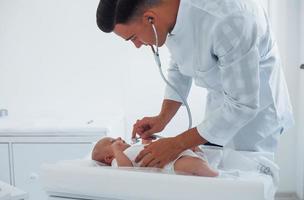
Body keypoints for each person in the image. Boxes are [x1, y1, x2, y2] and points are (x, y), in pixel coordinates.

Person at [95, 0, 294, 169]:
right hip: (222, 102)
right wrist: (163, 118)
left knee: (248, 180)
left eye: (133, 38)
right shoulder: (167, 17)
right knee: (215, 174)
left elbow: (243, 105)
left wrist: (178, 144)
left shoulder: (229, 19)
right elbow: (179, 65)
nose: (137, 45)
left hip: (256, 113)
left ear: (150, 18)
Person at [91, 137, 219, 177]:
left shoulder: (130, 149)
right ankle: (213, 174)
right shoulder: (116, 160)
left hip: (176, 153)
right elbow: (126, 170)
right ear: (108, 158)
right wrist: (117, 151)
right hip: (169, 163)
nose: (119, 138)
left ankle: (202, 160)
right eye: (112, 141)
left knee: (195, 148)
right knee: (194, 164)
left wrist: (146, 141)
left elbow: (144, 150)